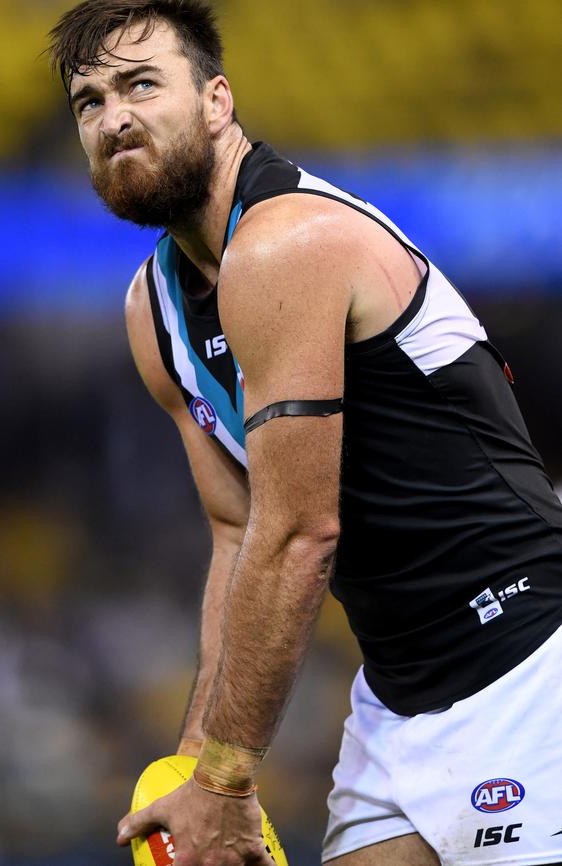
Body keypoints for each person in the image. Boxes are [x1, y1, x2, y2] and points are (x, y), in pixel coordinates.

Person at [49, 2, 562, 864]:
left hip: (527, 665)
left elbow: (299, 535)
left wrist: (224, 781)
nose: (115, 118)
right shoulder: (155, 311)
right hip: (399, 699)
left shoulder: (290, 241)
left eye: (141, 84)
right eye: (89, 102)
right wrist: (190, 765)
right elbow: (237, 530)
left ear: (217, 101)